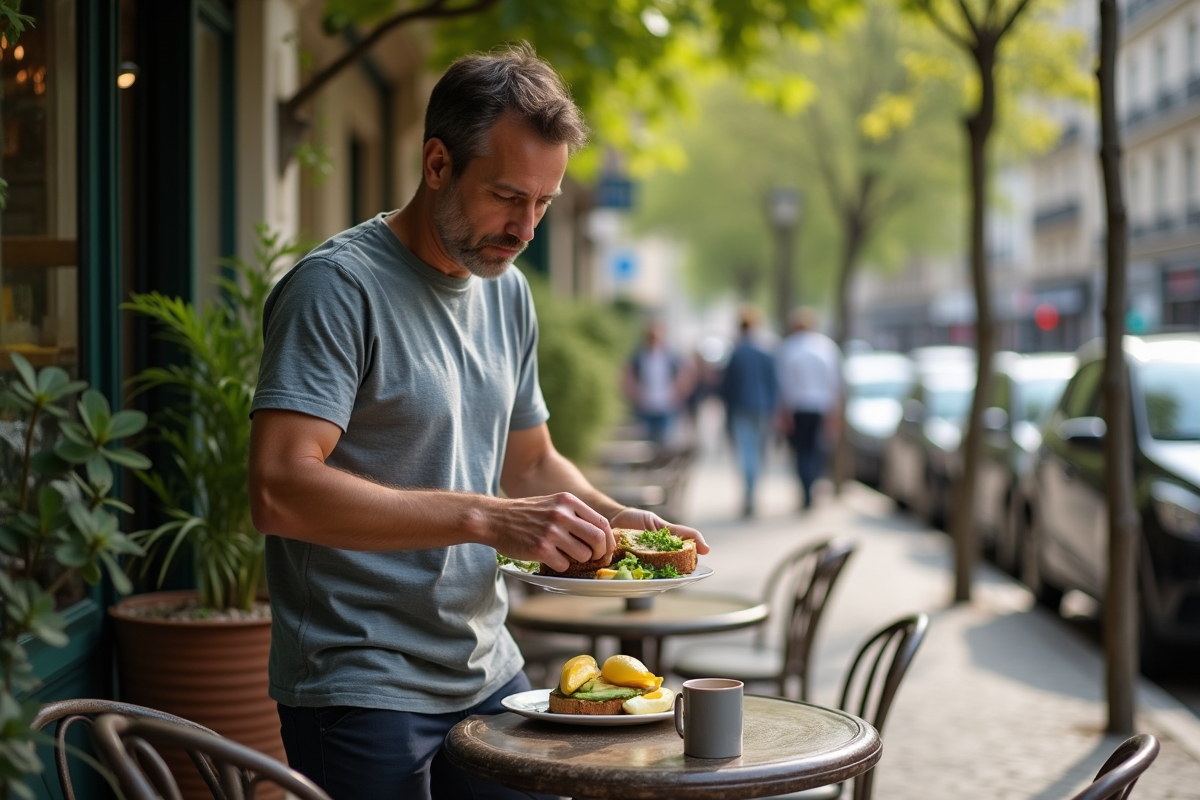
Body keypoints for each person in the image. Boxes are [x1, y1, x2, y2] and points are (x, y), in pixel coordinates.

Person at [247, 43, 708, 800]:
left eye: (544, 203)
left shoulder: (508, 292)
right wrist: (488, 519)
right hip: (359, 682)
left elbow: (529, 462)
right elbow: (278, 490)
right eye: (506, 196)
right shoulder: (335, 289)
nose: (525, 226)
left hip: (488, 666)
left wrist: (625, 522)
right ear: (437, 165)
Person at [776, 307, 842, 510]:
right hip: (821, 406)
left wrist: (783, 412)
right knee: (816, 449)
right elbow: (835, 382)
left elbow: (783, 383)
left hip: (798, 407)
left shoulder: (789, 348)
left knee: (801, 451)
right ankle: (811, 485)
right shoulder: (826, 347)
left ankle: (806, 488)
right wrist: (835, 411)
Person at [719, 306, 778, 517]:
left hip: (741, 408)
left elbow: (726, 387)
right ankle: (753, 494)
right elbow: (774, 384)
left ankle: (749, 495)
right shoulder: (766, 352)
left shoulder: (736, 353)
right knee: (758, 453)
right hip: (762, 409)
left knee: (746, 453)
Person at [622, 319, 692, 445]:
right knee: (648, 442)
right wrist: (634, 395)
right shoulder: (639, 357)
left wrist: (678, 394)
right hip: (646, 406)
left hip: (666, 405)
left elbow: (685, 374)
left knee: (665, 441)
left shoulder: (671, 357)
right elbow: (627, 375)